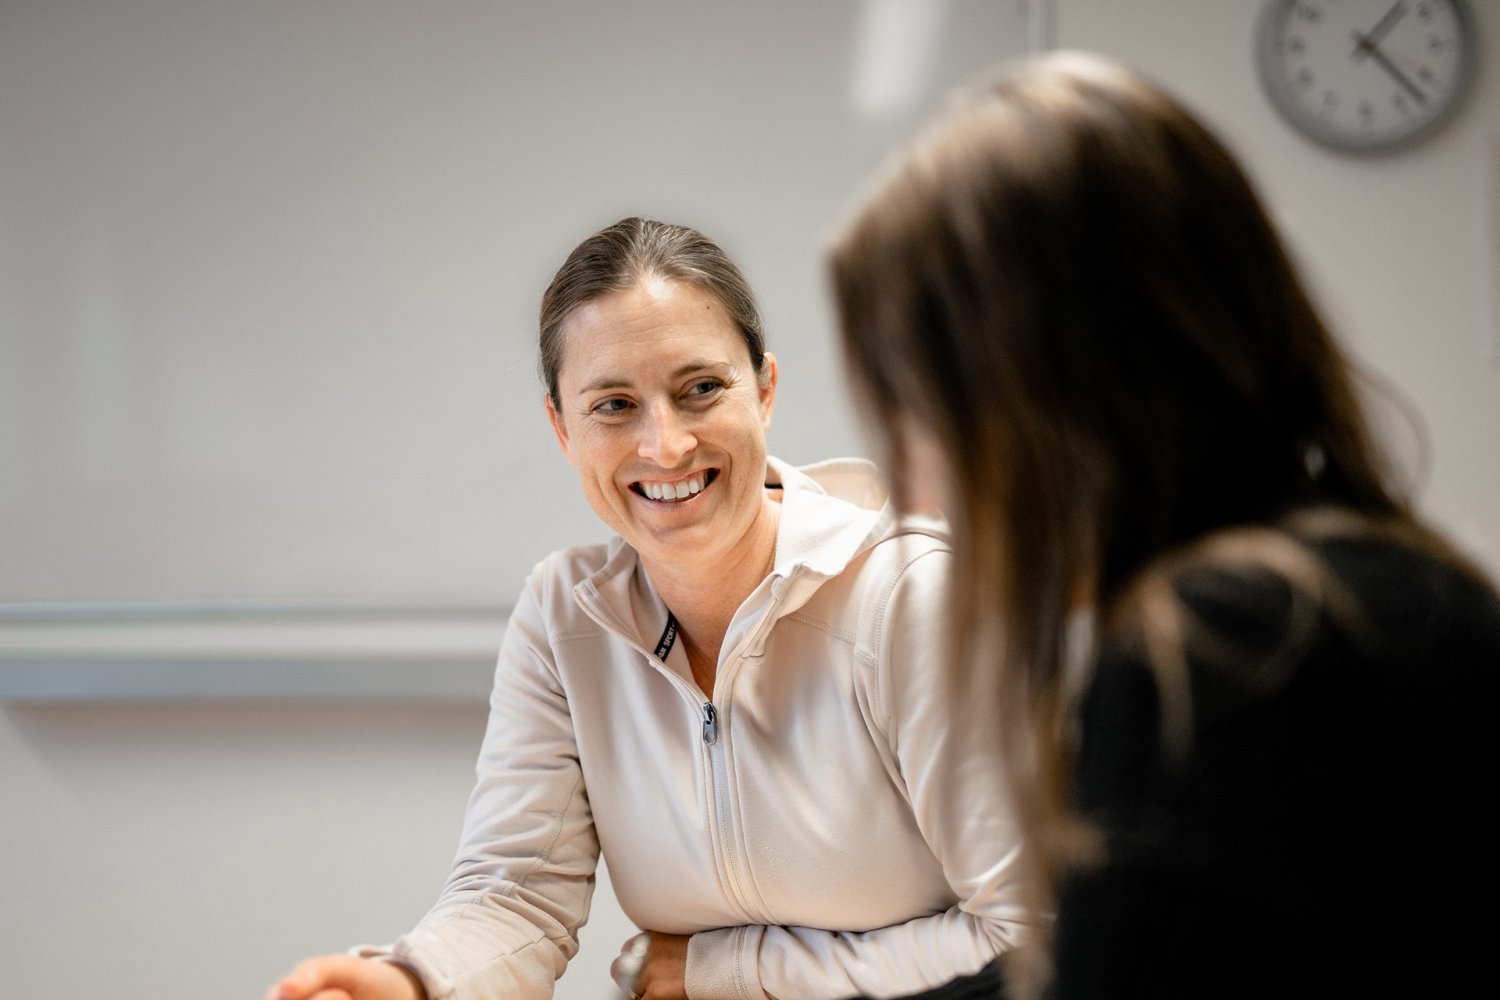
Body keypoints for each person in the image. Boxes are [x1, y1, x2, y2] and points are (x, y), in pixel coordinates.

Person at [829, 51, 1500, 1000]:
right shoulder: (1371, 587)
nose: (918, 496)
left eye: (918, 416)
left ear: (1042, 392)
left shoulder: (1227, 648)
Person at [267, 217, 1026, 1000]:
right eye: (614, 405)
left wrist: (722, 971)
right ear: (562, 429)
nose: (664, 446)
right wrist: (410, 983)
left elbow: (1028, 937)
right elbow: (518, 897)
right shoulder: (563, 618)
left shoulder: (911, 599)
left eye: (701, 389)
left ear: (764, 392)